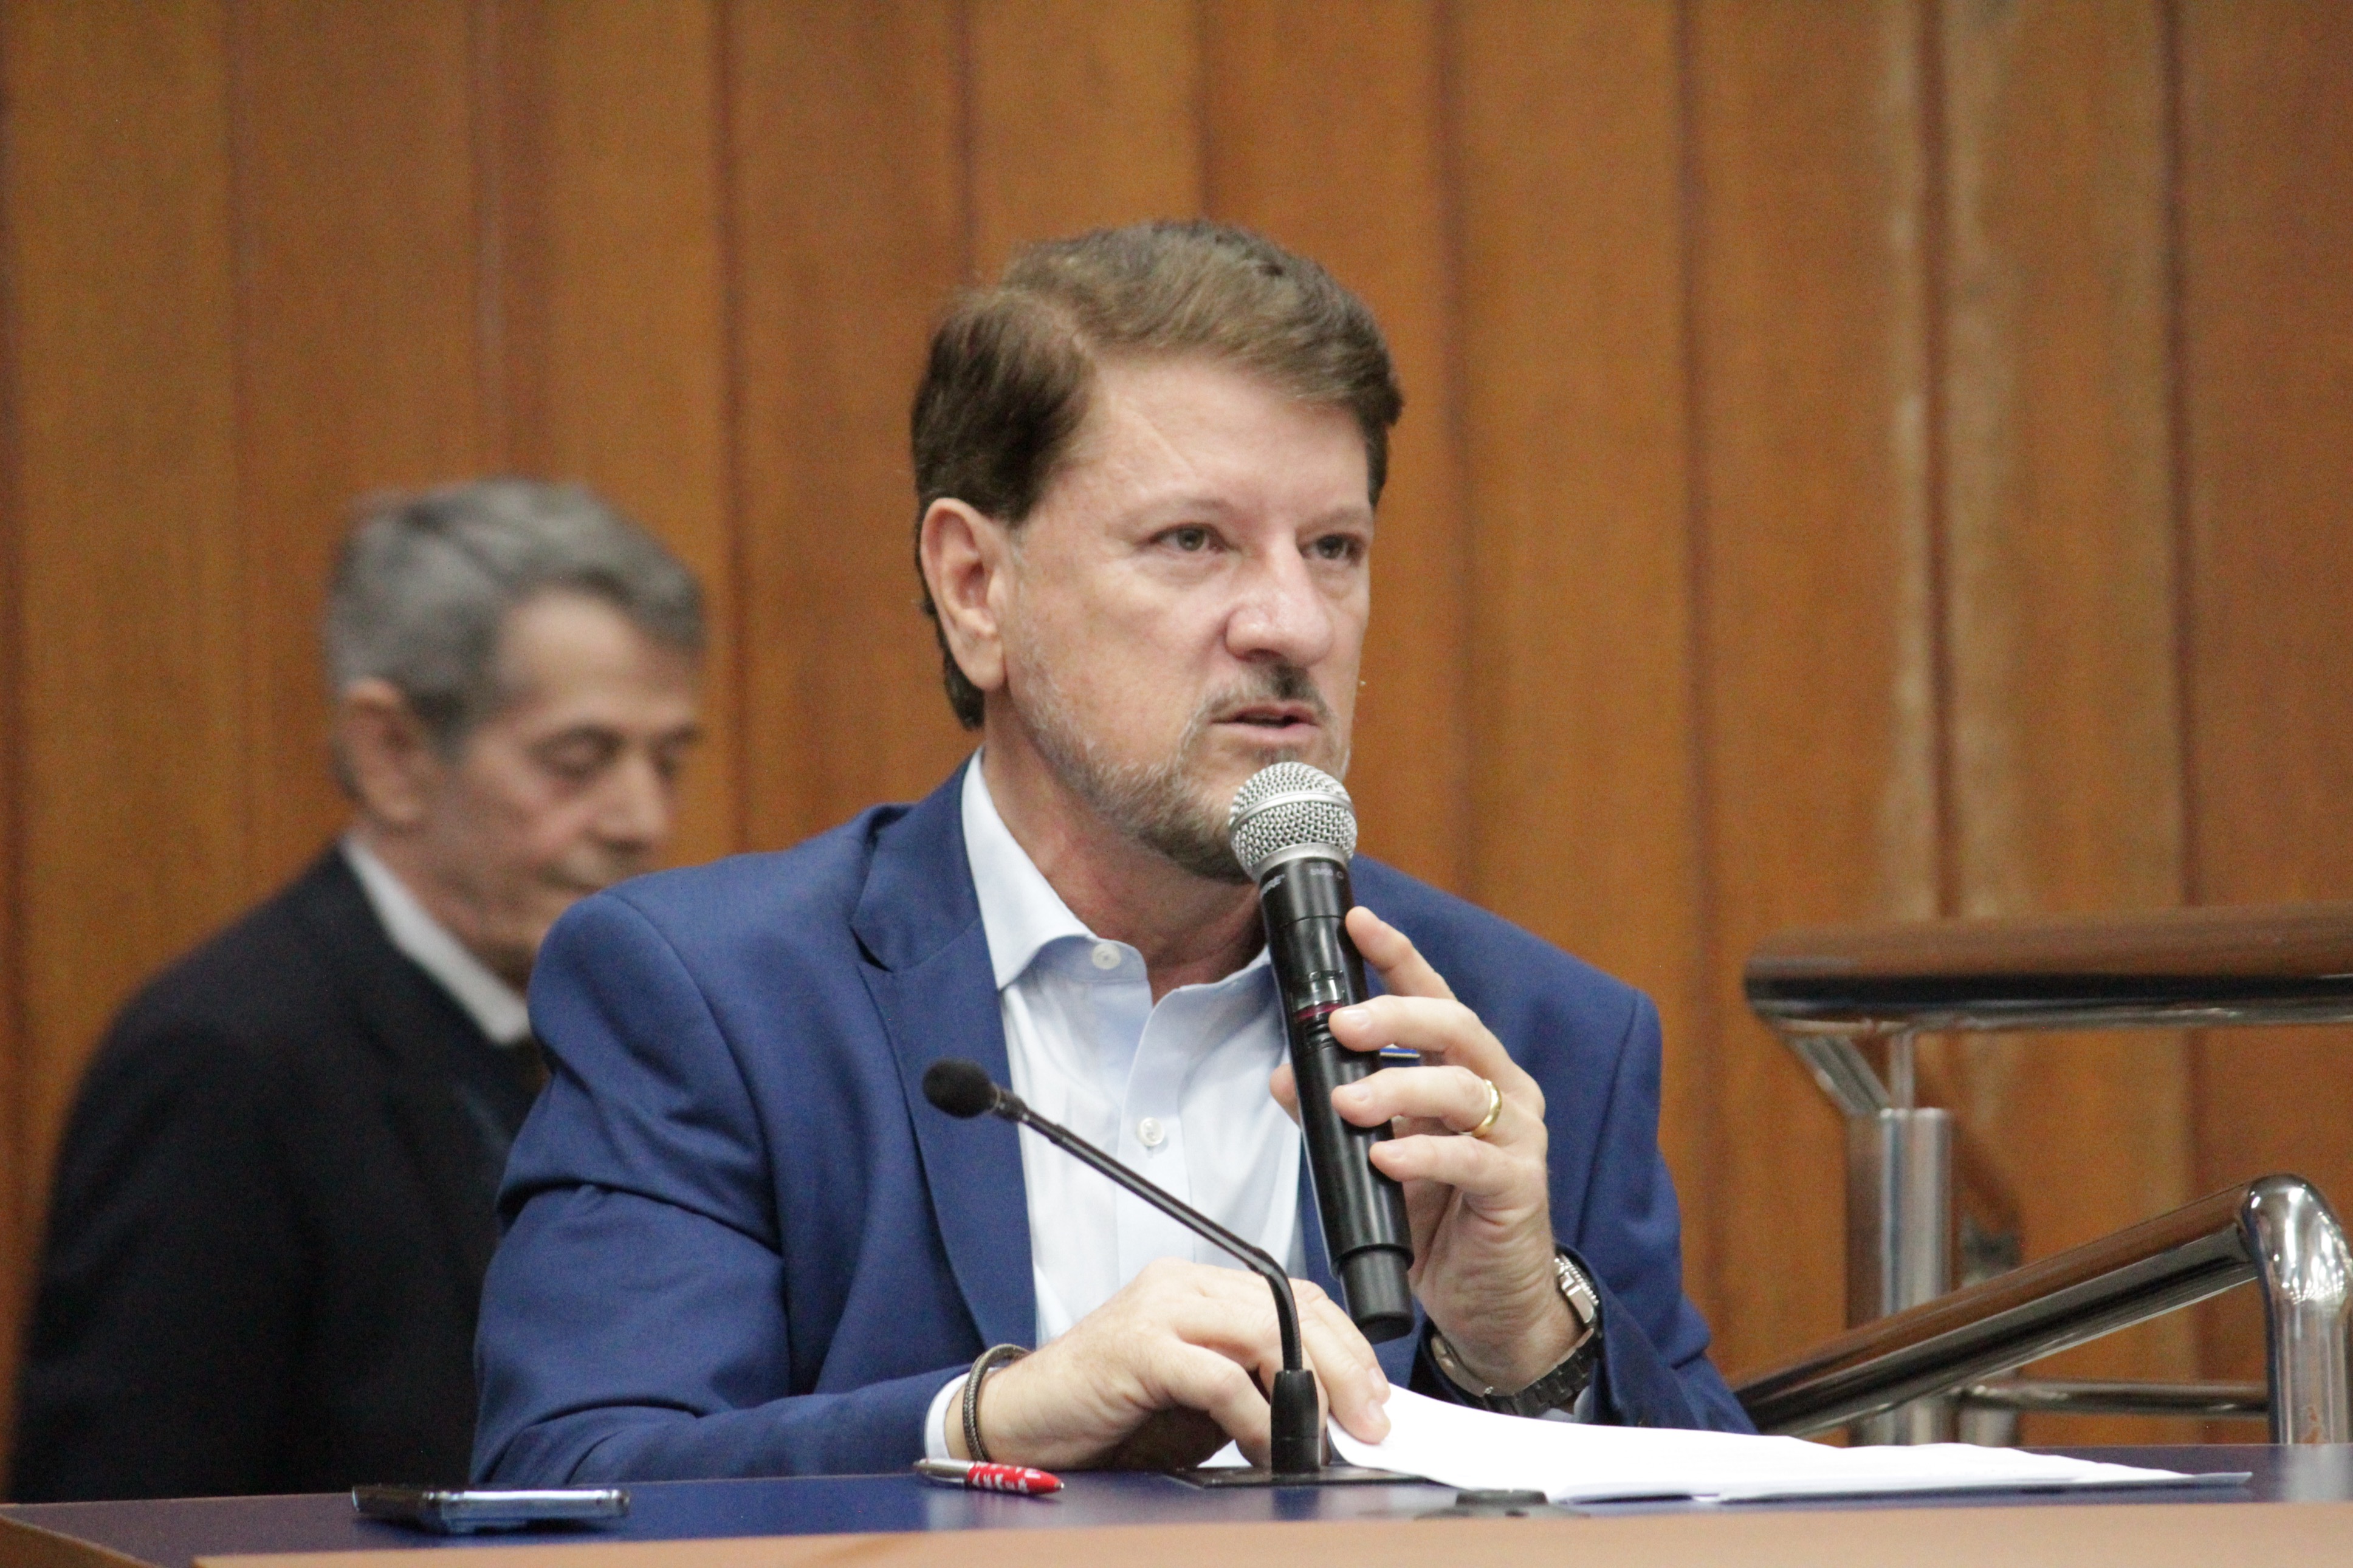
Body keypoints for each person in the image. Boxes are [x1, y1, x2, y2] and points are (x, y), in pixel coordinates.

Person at [474, 222, 1747, 1486]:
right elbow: (571, 1483)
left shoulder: (1534, 1036)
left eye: (1334, 549)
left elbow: (1746, 1523)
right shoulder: (719, 1001)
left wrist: (1531, 1348)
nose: (1292, 623)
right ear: (977, 586)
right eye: (1193, 541)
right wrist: (983, 1422)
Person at [11, 479, 705, 1501]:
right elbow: (117, 1516)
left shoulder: (636, 1035)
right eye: (579, 760)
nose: (642, 818)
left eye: (668, 760)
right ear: (393, 753)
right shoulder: (223, 1059)